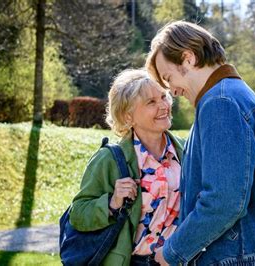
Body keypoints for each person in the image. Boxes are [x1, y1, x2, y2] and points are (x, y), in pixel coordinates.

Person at [146, 21, 255, 265]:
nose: (172, 92)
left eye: (169, 78)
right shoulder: (240, 95)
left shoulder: (220, 103)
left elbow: (223, 201)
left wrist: (171, 253)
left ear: (188, 58)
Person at [69, 69, 185, 266]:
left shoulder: (185, 152)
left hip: (179, 260)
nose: (164, 105)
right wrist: (112, 203)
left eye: (163, 97)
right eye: (151, 102)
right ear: (127, 116)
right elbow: (78, 214)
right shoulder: (110, 159)